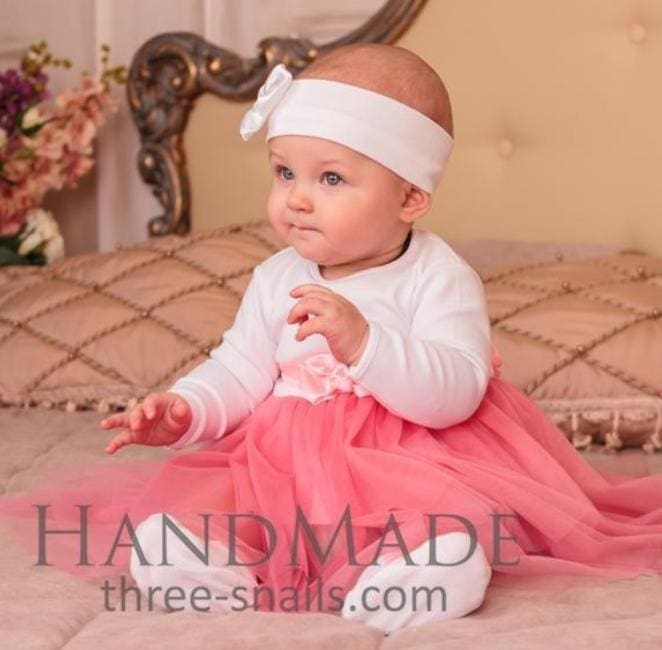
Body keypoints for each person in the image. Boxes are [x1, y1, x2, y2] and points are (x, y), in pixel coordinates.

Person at [1, 43, 661, 637]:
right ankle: (213, 568)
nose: (296, 199)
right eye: (284, 172)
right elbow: (239, 367)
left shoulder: (438, 275)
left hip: (410, 462)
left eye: (331, 179)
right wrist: (186, 408)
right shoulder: (275, 275)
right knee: (191, 518)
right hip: (281, 462)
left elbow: (457, 390)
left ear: (409, 197)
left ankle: (407, 577)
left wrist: (366, 343)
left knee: (442, 535)